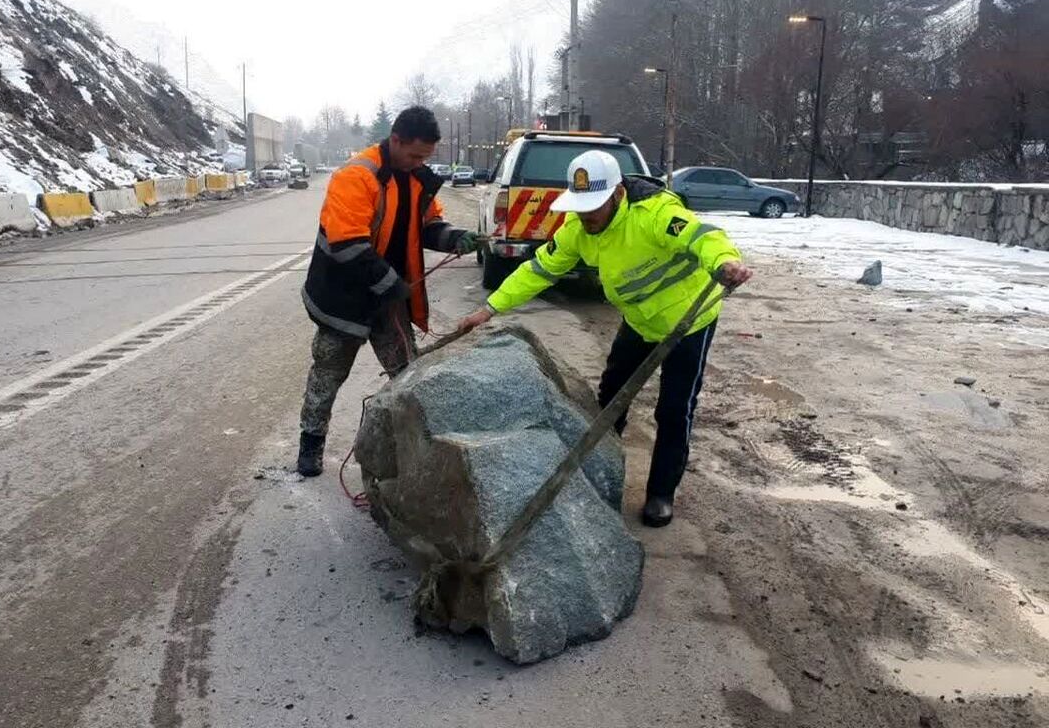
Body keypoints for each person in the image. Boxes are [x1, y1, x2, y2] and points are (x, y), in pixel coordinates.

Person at [458, 150, 752, 527]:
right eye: (580, 208)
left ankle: (661, 493)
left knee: (674, 410)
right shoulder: (577, 230)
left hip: (688, 323)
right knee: (611, 398)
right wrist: (489, 309)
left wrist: (724, 263)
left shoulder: (655, 214)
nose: (586, 216)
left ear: (616, 194)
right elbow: (538, 270)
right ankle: (601, 471)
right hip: (639, 322)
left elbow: (704, 238)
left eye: (593, 207)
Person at [297, 106, 480, 477]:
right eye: (414, 155)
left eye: (425, 157)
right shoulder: (356, 176)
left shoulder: (416, 179)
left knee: (409, 373)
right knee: (328, 372)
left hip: (387, 298)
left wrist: (455, 238)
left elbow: (429, 225)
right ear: (395, 140)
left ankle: (420, 448)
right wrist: (392, 285)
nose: (419, 163)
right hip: (344, 298)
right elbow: (347, 245)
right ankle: (310, 446)